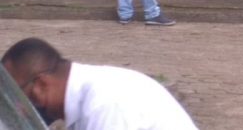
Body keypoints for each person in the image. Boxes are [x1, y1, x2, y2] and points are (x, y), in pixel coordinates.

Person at [2, 37, 197, 129]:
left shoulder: (105, 103)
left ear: (42, 84)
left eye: (20, 96)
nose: (21, 109)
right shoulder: (90, 98)